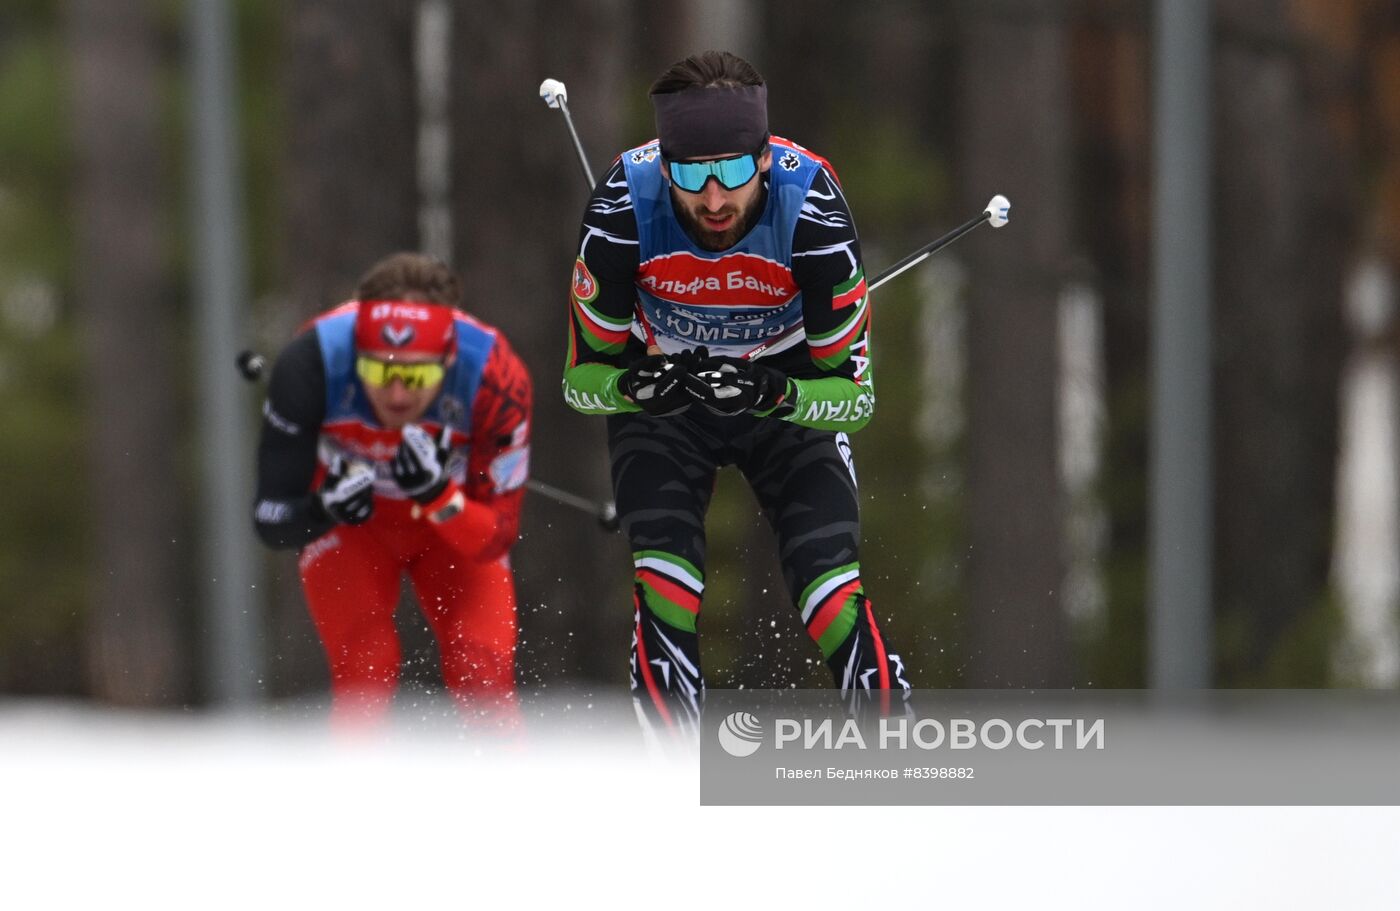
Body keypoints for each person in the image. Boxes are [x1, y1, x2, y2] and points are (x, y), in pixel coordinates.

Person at [563, 50, 910, 728]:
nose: (714, 198)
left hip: (785, 388)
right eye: (693, 174)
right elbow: (581, 382)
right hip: (666, 394)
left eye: (731, 172)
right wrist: (638, 385)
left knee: (827, 588)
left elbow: (855, 398)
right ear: (666, 168)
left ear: (763, 160)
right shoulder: (620, 209)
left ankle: (894, 752)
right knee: (665, 582)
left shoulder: (813, 214)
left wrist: (769, 392)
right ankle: (674, 776)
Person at [253, 252, 532, 725]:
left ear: (447, 360)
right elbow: (271, 521)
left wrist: (438, 496)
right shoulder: (310, 363)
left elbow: (497, 535)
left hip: (449, 530)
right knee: (366, 665)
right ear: (357, 354)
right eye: (379, 373)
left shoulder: (494, 376)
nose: (398, 395)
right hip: (357, 532)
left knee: (480, 666)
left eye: (418, 377)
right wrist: (325, 507)